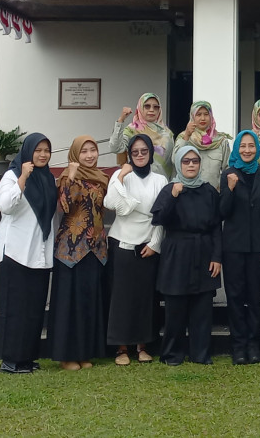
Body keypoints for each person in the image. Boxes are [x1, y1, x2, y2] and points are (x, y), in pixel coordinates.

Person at [151, 146, 223, 366]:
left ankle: (200, 353)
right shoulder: (170, 189)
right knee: (175, 308)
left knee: (202, 308)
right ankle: (172, 354)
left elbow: (216, 226)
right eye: (186, 161)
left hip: (203, 250)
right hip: (177, 252)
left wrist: (217, 257)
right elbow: (160, 219)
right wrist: (173, 197)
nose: (191, 165)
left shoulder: (209, 191)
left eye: (195, 161)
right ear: (179, 164)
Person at [0, 133, 57, 374]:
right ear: (28, 152)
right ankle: (11, 359)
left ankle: (28, 357)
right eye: (38, 150)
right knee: (15, 308)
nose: (42, 155)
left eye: (46, 150)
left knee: (34, 308)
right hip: (15, 252)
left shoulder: (48, 179)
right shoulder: (11, 176)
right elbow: (5, 206)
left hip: (39, 253)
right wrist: (22, 178)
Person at [105, 134, 167, 366]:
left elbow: (161, 216)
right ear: (129, 154)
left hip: (148, 245)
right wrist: (121, 176)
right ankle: (121, 348)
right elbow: (113, 204)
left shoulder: (160, 180)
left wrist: (155, 244)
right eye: (135, 152)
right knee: (121, 298)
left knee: (145, 298)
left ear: (150, 153)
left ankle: (143, 346)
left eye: (144, 151)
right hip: (122, 243)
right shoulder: (120, 176)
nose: (140, 155)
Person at [48, 136, 109, 371]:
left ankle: (85, 353)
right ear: (75, 154)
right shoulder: (66, 177)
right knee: (69, 303)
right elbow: (65, 205)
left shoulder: (101, 178)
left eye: (93, 150)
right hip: (71, 250)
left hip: (95, 249)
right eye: (84, 151)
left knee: (88, 301)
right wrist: (71, 176)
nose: (90, 155)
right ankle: (66, 356)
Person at [220, 130, 260, 365]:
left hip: (259, 248)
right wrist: (230, 188)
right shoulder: (229, 174)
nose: (247, 150)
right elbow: (222, 212)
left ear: (257, 149)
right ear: (237, 149)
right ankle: (238, 346)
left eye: (251, 146)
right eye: (243, 146)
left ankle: (254, 344)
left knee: (256, 297)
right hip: (234, 247)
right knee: (235, 297)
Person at [109, 93, 175, 178]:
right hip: (138, 180)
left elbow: (172, 162)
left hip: (163, 182)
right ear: (140, 108)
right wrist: (121, 120)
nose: (151, 110)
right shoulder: (132, 130)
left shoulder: (167, 133)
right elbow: (115, 147)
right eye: (147, 106)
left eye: (156, 107)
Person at [174, 101, 231, 190]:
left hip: (213, 193)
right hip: (188, 192)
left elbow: (228, 169)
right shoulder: (184, 137)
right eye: (198, 114)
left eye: (206, 114)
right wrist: (187, 136)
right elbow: (175, 160)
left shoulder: (221, 141)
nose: (203, 118)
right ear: (192, 116)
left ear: (211, 116)